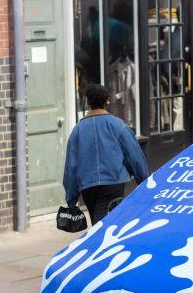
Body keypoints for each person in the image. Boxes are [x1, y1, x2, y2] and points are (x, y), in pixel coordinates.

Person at [63, 83, 148, 224]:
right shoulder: (118, 125)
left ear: (88, 102)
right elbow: (135, 156)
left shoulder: (77, 130)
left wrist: (71, 198)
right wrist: (144, 181)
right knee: (105, 227)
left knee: (99, 224)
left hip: (87, 187)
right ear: (107, 101)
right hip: (113, 183)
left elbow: (71, 167)